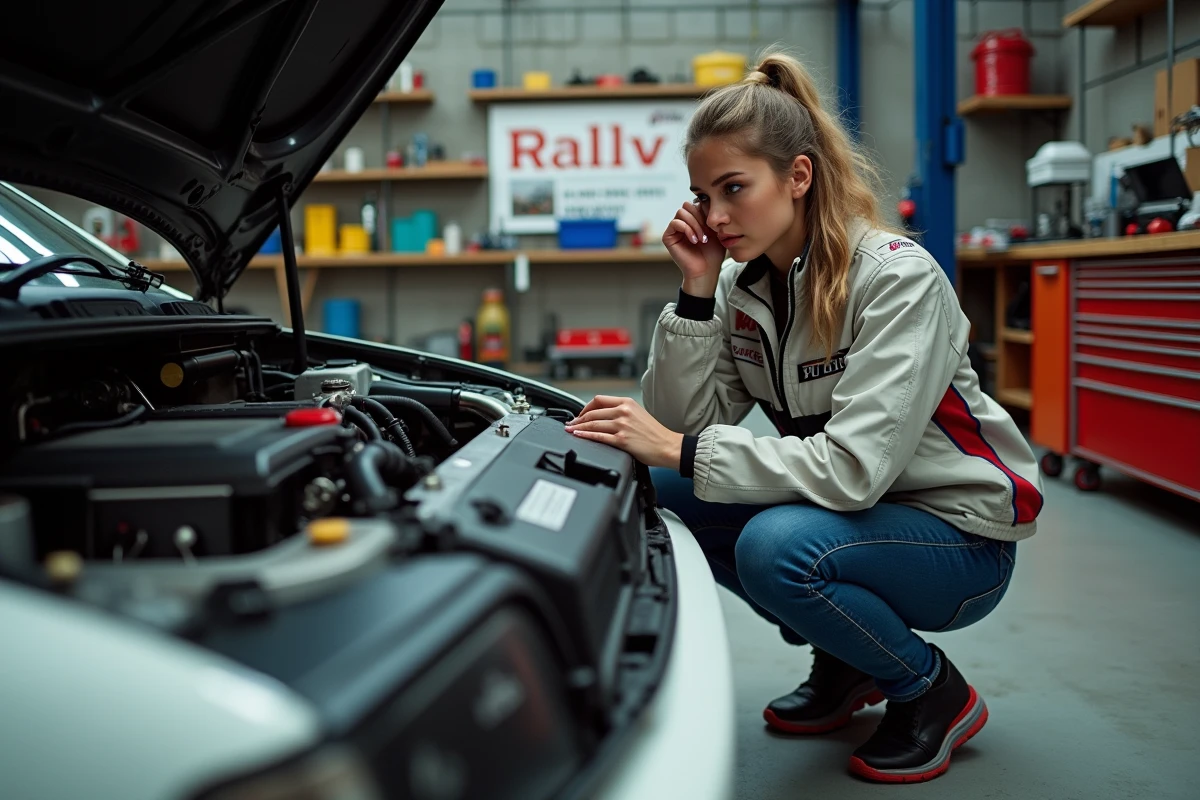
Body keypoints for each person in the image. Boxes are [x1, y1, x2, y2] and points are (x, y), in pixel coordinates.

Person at [564, 50, 1044, 784]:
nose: (716, 218)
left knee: (776, 547)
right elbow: (678, 425)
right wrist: (694, 296)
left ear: (798, 176)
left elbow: (852, 471)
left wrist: (680, 447)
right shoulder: (740, 284)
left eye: (734, 189)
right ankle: (850, 657)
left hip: (959, 539)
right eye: (702, 195)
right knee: (666, 493)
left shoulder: (895, 280)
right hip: (861, 517)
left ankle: (929, 691)